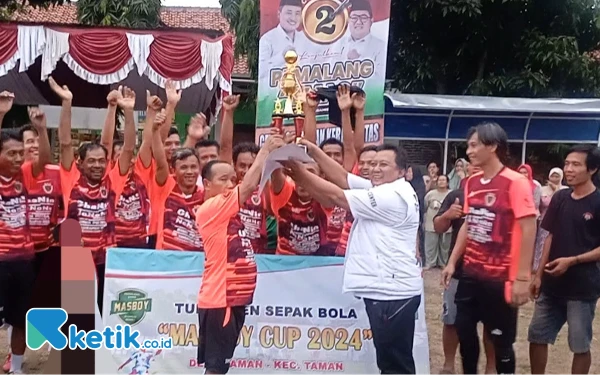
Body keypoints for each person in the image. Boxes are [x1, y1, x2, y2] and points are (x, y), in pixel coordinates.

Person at [283, 140, 422, 375]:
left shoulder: (392, 194)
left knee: (394, 365)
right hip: (389, 291)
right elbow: (344, 178)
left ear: (401, 171)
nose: (375, 169)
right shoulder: (382, 188)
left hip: (391, 294)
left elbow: (338, 196)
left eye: (384, 165)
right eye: (374, 163)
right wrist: (314, 151)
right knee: (391, 361)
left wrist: (299, 173)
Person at [442, 122, 537, 375]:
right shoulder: (471, 182)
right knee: (464, 332)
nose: (469, 151)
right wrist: (452, 262)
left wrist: (522, 277)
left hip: (501, 278)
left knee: (501, 342)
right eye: (468, 145)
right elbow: (468, 223)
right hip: (471, 274)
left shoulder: (515, 182)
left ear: (493, 146)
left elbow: (529, 228)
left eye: (474, 145)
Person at [195, 134, 284, 375]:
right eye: (223, 179)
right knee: (215, 368)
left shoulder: (230, 213)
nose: (230, 184)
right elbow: (247, 188)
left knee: (221, 366)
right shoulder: (210, 209)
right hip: (220, 300)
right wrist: (264, 151)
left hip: (234, 300)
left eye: (232, 179)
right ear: (206, 184)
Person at [51, 78, 136, 314]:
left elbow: (128, 148)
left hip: (106, 260)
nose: (98, 165)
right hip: (75, 258)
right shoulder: (71, 178)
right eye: (92, 161)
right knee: (77, 313)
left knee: (104, 311)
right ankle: (75, 350)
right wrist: (67, 103)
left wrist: (128, 112)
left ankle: (99, 351)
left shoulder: (113, 181)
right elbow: (66, 142)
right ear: (80, 163)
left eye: (102, 161)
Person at [528, 145, 600, 375]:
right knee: (537, 336)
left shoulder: (598, 202)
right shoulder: (560, 197)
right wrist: (538, 275)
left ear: (593, 169)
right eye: (567, 163)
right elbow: (548, 235)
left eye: (576, 164)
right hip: (551, 284)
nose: (569, 169)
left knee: (579, 346)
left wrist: (573, 260)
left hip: (582, 288)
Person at [0, 91, 52, 375]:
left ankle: (17, 368)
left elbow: (43, 158)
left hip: (23, 260)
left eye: (20, 153)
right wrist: (2, 114)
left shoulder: (23, 176)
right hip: (0, 259)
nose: (18, 158)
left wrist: (42, 129)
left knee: (20, 319)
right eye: (11, 153)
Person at [434, 163, 496, 375]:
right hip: (460, 271)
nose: (476, 173)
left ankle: (490, 367)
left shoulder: (500, 195)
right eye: (472, 169)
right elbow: (438, 227)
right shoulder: (456, 195)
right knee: (451, 320)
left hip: (491, 273)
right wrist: (447, 215)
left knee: (491, 324)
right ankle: (449, 364)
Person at [218, 94, 270, 254]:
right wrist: (229, 112)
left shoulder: (265, 189)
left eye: (251, 166)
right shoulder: (229, 186)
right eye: (242, 165)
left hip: (257, 257)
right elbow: (225, 148)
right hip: (229, 253)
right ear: (234, 166)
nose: (246, 170)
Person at [150, 110, 204, 251]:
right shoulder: (166, 187)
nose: (189, 171)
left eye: (193, 167)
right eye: (184, 168)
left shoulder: (205, 194)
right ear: (174, 170)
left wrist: (192, 137)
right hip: (167, 261)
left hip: (195, 261)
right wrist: (155, 131)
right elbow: (161, 162)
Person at [258, 0, 308, 79]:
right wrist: (282, 56)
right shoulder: (267, 39)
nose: (293, 18)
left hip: (301, 89)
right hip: (276, 89)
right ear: (279, 14)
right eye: (289, 13)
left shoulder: (305, 39)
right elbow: (262, 73)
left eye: (297, 13)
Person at [533, 167, 567, 271]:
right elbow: (537, 204)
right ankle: (537, 267)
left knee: (554, 243)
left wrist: (555, 190)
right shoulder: (542, 189)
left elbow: (562, 205)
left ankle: (552, 265)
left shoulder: (565, 190)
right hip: (543, 220)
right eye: (553, 175)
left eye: (557, 176)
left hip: (559, 221)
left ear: (561, 177)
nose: (554, 178)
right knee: (540, 243)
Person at [424, 174, 452, 268]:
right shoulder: (431, 194)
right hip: (431, 222)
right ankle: (430, 263)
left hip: (446, 223)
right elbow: (425, 204)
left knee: (445, 245)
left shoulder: (451, 193)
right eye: (439, 180)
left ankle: (443, 263)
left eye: (444, 180)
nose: (441, 182)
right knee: (430, 244)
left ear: (447, 182)